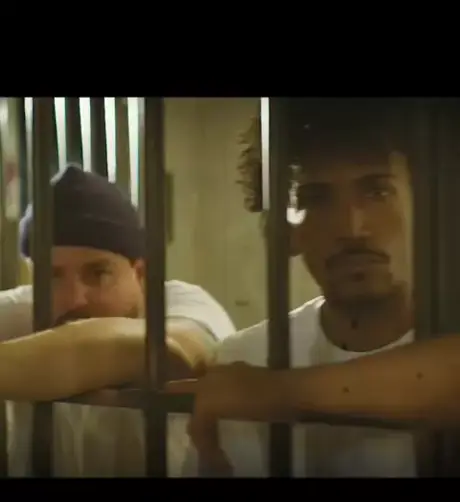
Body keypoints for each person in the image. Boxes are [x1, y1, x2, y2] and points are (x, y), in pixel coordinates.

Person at [171, 97, 449, 478]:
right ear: (287, 232)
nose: (352, 228)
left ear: (429, 207)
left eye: (378, 192)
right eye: (316, 199)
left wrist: (276, 391)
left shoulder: (253, 380)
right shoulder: (248, 357)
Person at [4, 163, 235, 477]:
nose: (74, 299)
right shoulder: (24, 307)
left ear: (139, 274)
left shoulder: (184, 303)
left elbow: (169, 350)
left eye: (98, 273)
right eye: (51, 276)